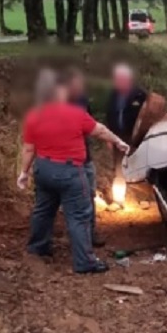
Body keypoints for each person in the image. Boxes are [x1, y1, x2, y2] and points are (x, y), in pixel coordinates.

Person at [17, 70, 130, 274]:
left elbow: (28, 149)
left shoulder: (34, 115)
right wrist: (118, 141)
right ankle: (84, 262)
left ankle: (38, 248)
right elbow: (100, 130)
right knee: (79, 215)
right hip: (70, 171)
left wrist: (23, 173)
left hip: (43, 169)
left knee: (43, 210)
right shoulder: (75, 113)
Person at [62, 67, 105, 248]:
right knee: (71, 199)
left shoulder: (82, 99)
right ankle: (73, 235)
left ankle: (90, 233)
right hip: (67, 160)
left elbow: (90, 124)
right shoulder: (58, 103)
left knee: (90, 196)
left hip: (85, 157)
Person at [105, 63, 147, 178]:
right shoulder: (114, 94)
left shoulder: (139, 95)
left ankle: (135, 183)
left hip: (133, 137)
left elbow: (148, 116)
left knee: (134, 162)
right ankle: (119, 184)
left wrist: (140, 137)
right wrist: (108, 137)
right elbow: (109, 113)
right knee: (118, 164)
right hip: (117, 135)